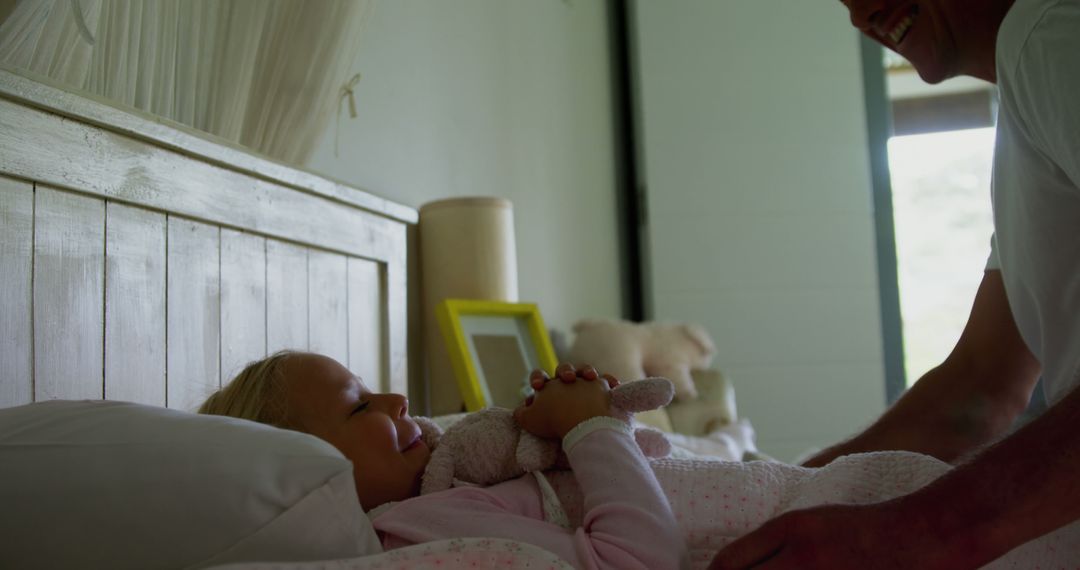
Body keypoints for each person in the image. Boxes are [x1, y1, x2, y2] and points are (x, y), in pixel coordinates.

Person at [708, 0, 1080, 567]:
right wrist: (767, 497)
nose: (861, 14)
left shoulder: (1050, 36)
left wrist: (918, 530)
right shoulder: (1026, 103)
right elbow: (980, 391)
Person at [199, 351, 685, 569]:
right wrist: (591, 428)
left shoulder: (450, 484)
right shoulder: (422, 525)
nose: (398, 399)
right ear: (304, 471)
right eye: (360, 405)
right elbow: (641, 561)